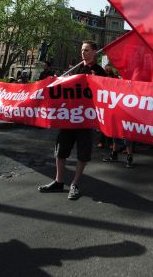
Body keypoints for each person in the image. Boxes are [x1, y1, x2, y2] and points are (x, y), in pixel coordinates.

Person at [38, 40, 105, 200]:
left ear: (94, 52)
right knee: (61, 150)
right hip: (70, 117)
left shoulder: (100, 71)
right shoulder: (76, 69)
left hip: (86, 120)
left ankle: (75, 183)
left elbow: (103, 95)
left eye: (87, 50)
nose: (83, 53)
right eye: (82, 50)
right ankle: (59, 181)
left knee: (83, 153)